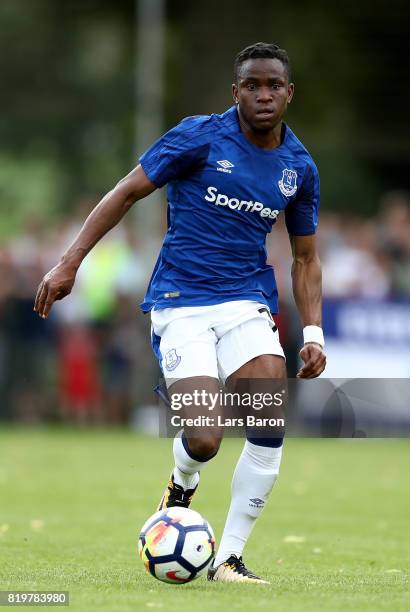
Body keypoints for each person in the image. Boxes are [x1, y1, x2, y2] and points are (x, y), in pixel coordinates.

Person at [34, 42, 326, 584]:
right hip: (181, 304)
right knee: (205, 439)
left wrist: (313, 331)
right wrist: (68, 263)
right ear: (235, 92)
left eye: (273, 86)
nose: (263, 95)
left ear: (289, 93)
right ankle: (181, 479)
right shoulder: (199, 137)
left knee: (268, 419)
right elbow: (125, 193)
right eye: (252, 86)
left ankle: (230, 558)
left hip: (246, 303)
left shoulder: (298, 167)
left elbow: (306, 258)